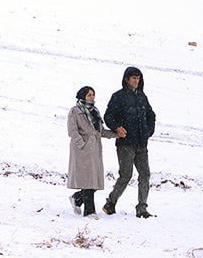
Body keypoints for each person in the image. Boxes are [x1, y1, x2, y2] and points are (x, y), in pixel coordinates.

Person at [101, 66, 156, 218]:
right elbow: (108, 116)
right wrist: (117, 128)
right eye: (133, 78)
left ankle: (142, 208)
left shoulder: (142, 97)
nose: (136, 81)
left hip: (141, 143)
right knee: (126, 175)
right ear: (126, 79)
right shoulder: (118, 96)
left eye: (138, 78)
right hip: (125, 144)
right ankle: (110, 202)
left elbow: (151, 115)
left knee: (145, 174)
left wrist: (148, 131)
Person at [67, 86, 119, 218]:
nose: (92, 97)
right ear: (82, 96)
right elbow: (72, 131)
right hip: (82, 150)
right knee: (88, 180)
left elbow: (100, 131)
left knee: (94, 179)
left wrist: (117, 134)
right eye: (89, 95)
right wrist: (82, 144)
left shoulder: (95, 111)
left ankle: (77, 198)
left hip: (95, 148)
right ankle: (89, 211)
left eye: (93, 95)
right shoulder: (75, 111)